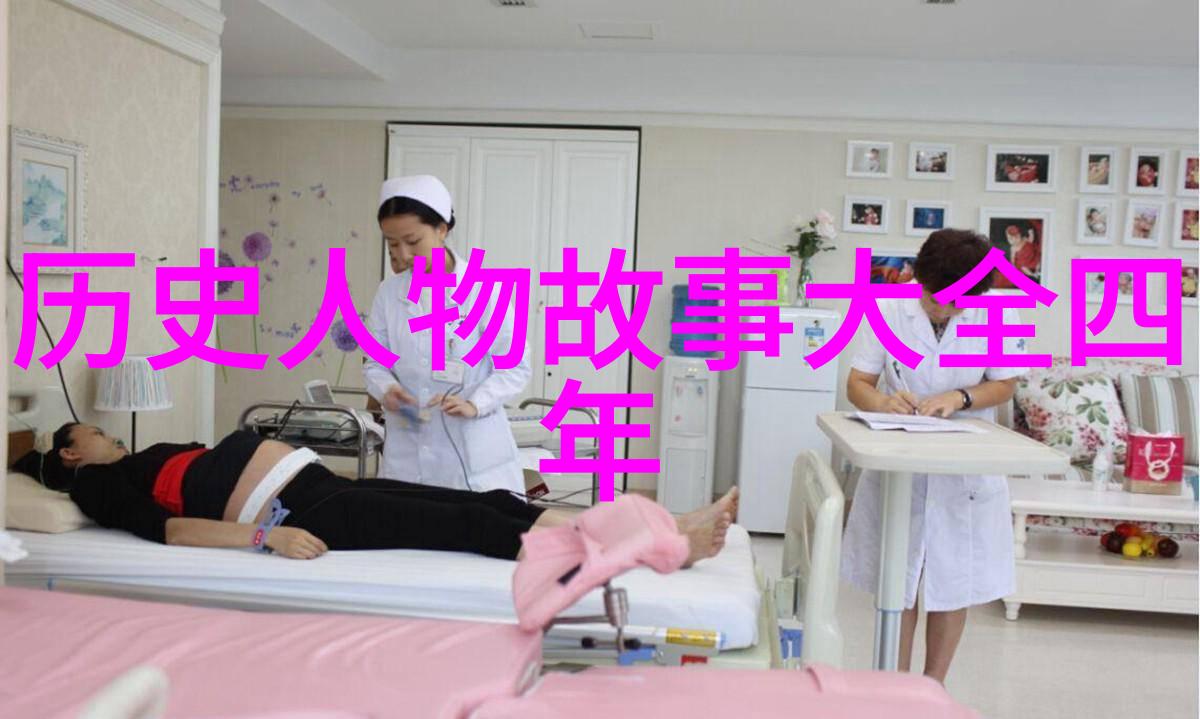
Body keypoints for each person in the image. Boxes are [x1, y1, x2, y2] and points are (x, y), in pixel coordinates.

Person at [12, 424, 737, 565]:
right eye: (92, 432)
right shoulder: (102, 483)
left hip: (321, 484)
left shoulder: (138, 456)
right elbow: (170, 532)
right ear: (70, 453)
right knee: (472, 527)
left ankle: (665, 521)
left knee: (491, 502)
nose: (108, 431)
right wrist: (267, 537)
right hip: (300, 511)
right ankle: (655, 545)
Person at [841, 229, 1027, 684]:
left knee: (953, 581)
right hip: (900, 457)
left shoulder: (999, 313)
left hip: (964, 464)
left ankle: (932, 688)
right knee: (898, 580)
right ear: (919, 278)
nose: (942, 310)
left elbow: (1005, 384)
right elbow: (858, 383)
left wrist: (959, 397)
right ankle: (893, 687)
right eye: (934, 298)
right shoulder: (886, 307)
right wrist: (883, 402)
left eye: (956, 303)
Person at [364, 175, 530, 494]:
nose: (403, 254)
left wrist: (475, 403)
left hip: (473, 458)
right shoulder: (389, 293)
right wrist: (388, 389)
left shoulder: (486, 290)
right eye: (392, 243)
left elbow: (515, 367)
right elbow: (375, 362)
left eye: (413, 241)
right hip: (407, 457)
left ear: (441, 229)